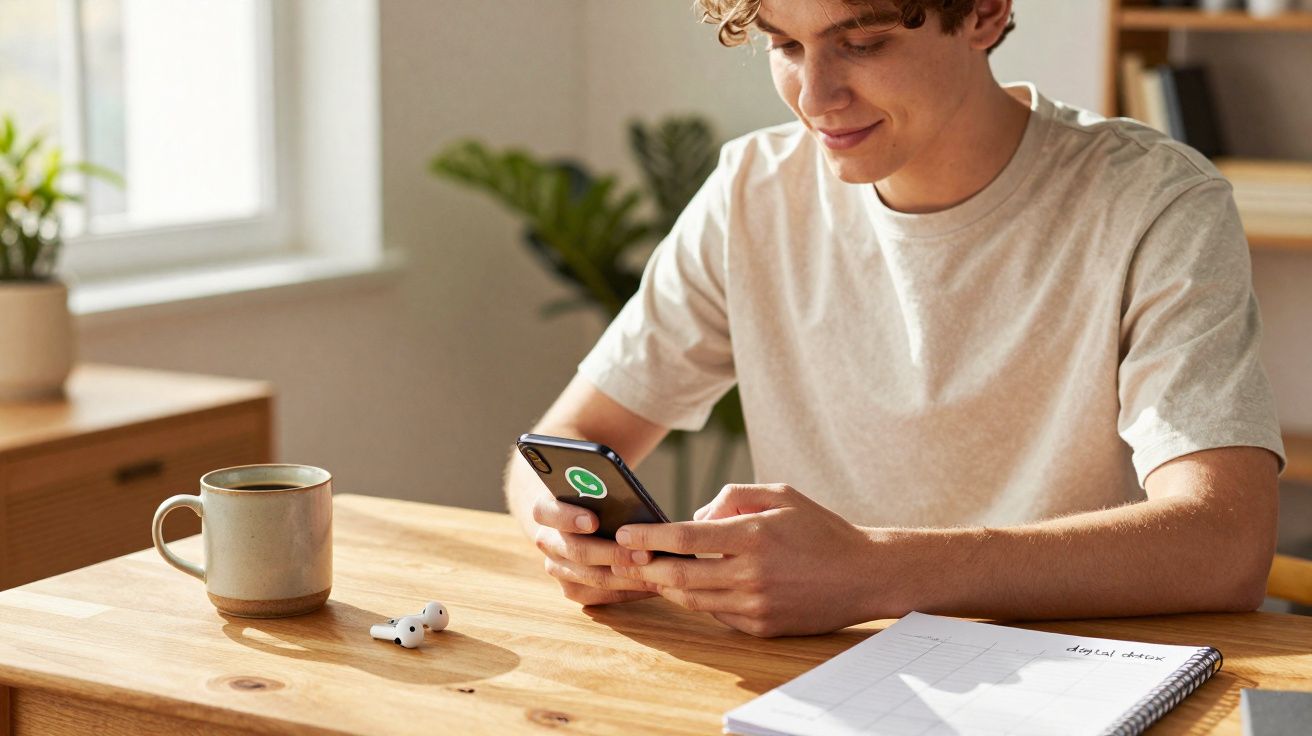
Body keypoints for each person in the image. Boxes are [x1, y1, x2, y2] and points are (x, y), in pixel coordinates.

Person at [501, 0, 1286, 637]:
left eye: (863, 43)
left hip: (1074, 678)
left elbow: (1223, 543)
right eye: (786, 45)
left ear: (984, 13)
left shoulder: (1154, 203)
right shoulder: (753, 191)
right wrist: (560, 529)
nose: (816, 97)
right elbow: (561, 445)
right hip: (814, 681)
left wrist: (873, 573)